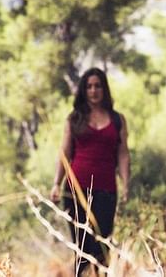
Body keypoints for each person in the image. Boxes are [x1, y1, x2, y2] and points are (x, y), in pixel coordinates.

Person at [50, 68, 131, 276]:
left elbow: (123, 154)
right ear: (84, 91)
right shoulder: (74, 119)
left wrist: (126, 185)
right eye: (89, 86)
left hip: (106, 191)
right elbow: (65, 153)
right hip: (76, 190)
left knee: (103, 245)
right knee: (83, 246)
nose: (93, 90)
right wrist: (56, 183)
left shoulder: (117, 120)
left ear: (104, 88)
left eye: (97, 86)